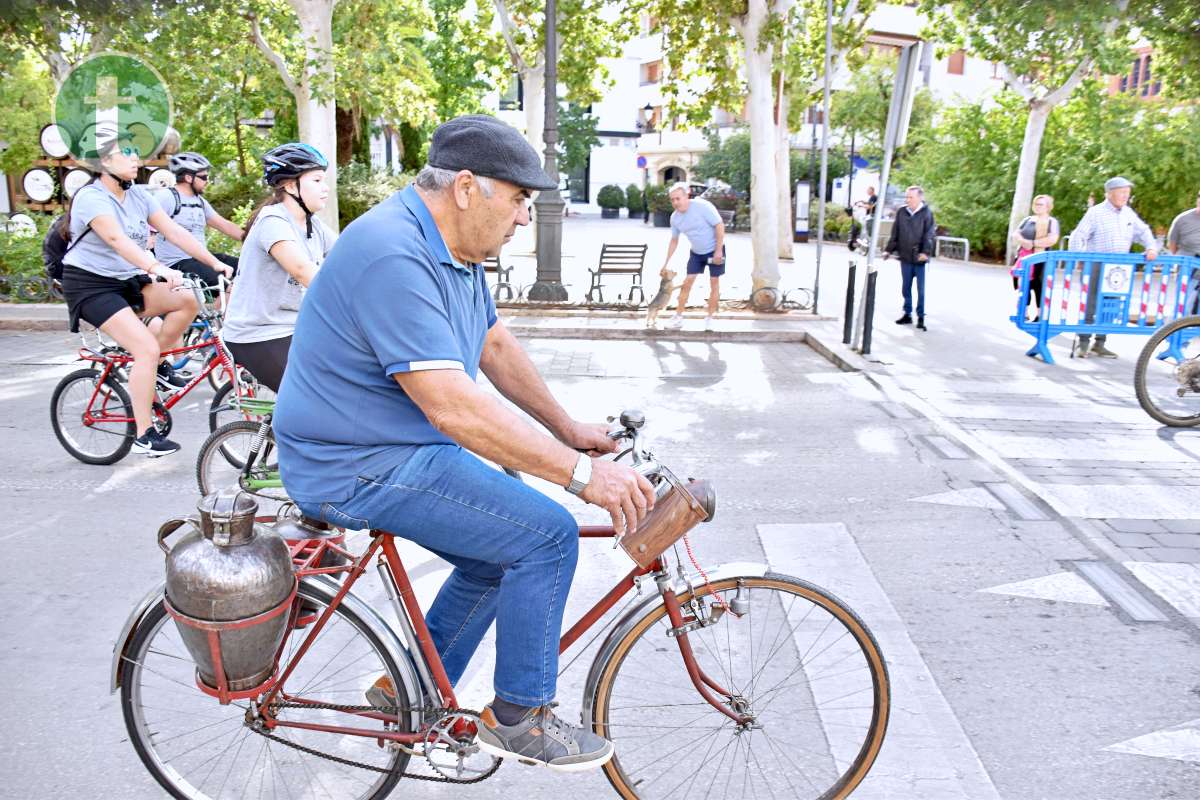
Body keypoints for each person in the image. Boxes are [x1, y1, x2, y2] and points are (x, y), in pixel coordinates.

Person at [272, 115, 656, 771]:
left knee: (495, 551)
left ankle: (407, 687)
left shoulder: (458, 251)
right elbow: (452, 405)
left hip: (398, 447)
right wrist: (580, 477)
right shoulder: (392, 252)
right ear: (469, 188)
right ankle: (519, 718)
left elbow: (492, 345)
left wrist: (566, 429)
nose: (522, 220)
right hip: (352, 463)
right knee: (545, 534)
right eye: (519, 201)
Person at [60, 122, 227, 457]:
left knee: (189, 300)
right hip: (91, 285)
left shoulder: (138, 195)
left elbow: (175, 232)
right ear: (104, 162)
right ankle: (143, 433)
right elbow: (115, 239)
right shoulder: (91, 198)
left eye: (136, 152)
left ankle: (159, 367)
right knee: (144, 349)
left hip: (126, 280)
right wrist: (157, 268)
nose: (135, 159)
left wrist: (214, 263)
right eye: (126, 153)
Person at [219, 143, 335, 393]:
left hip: (293, 328)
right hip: (258, 334)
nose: (325, 188)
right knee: (312, 397)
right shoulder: (273, 221)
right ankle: (290, 430)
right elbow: (302, 270)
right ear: (290, 185)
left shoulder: (312, 225)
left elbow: (350, 254)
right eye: (316, 180)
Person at [1068, 176, 1159, 358]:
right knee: (1091, 303)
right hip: (1097, 264)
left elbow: (1143, 231)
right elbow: (1079, 236)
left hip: (1118, 267)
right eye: (1122, 192)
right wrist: (1078, 257)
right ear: (1110, 193)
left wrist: (1150, 246)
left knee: (1110, 305)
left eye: (1128, 192)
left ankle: (1100, 343)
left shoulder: (1128, 213)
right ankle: (1083, 342)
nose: (1126, 196)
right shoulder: (1096, 212)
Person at [151, 152, 244, 286]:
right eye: (204, 177)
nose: (208, 181)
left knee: (245, 267)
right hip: (177, 263)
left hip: (201, 258)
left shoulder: (200, 201)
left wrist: (250, 238)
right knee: (223, 281)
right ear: (189, 178)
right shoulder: (166, 197)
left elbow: (223, 225)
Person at [660, 182, 726, 331]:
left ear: (687, 195)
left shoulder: (703, 207)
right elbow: (674, 240)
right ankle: (678, 317)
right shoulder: (675, 218)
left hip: (715, 249)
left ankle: (709, 318)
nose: (675, 202)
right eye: (672, 200)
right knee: (687, 282)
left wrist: (718, 251)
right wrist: (665, 262)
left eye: (678, 198)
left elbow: (719, 225)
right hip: (696, 252)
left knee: (714, 282)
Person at [885, 185, 935, 331]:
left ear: (919, 198)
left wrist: (925, 252)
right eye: (906, 197)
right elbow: (895, 233)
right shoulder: (902, 212)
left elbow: (929, 234)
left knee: (921, 290)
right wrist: (888, 250)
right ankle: (907, 314)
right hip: (905, 255)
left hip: (919, 257)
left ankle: (920, 317)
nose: (907, 199)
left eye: (910, 197)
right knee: (906, 287)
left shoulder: (926, 213)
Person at [1012, 194, 1060, 320]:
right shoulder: (1028, 219)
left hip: (1041, 258)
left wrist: (1033, 244)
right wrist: (1023, 242)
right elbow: (1016, 233)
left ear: (1048, 206)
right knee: (1023, 283)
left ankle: (1040, 314)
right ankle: (1024, 311)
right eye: (1036, 204)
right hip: (1024, 256)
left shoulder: (1052, 222)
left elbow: (1052, 239)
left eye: (1041, 204)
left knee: (1039, 285)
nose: (1038, 207)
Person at [1167, 189, 1200, 315]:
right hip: (1188, 270)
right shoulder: (1182, 219)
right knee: (1183, 305)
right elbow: (1172, 244)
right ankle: (1177, 332)